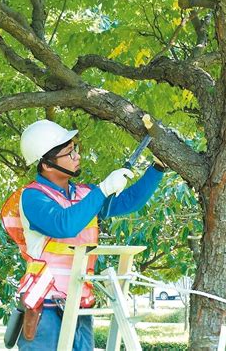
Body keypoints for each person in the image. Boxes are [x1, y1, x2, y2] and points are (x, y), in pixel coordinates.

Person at [16, 119, 165, 350]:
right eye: (69, 152)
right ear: (46, 164)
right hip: (44, 306)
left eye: (75, 150)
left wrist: (157, 168)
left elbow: (128, 202)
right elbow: (64, 225)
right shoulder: (33, 197)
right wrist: (104, 189)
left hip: (79, 302)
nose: (77, 156)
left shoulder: (84, 193)